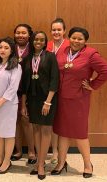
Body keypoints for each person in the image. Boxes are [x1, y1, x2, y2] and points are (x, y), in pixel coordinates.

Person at [52, 27, 107, 178]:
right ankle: (61, 162)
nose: (76, 41)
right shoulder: (63, 51)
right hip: (61, 98)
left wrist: (93, 84)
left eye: (80, 39)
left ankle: (87, 164)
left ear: (85, 41)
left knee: (80, 134)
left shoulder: (91, 54)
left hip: (79, 100)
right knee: (62, 132)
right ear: (69, 38)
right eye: (73, 38)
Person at [21, 31, 59, 180]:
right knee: (35, 128)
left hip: (47, 99)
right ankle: (38, 161)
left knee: (45, 129)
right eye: (36, 39)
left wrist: (48, 101)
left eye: (41, 40)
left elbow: (54, 80)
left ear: (45, 42)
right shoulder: (27, 58)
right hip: (33, 99)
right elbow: (24, 84)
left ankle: (42, 164)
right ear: (32, 40)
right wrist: (23, 104)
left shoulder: (50, 57)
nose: (38, 42)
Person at [0, 37, 22, 174]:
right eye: (1, 47)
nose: (2, 50)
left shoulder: (16, 67)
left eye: (6, 48)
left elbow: (13, 88)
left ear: (12, 50)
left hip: (8, 106)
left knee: (8, 134)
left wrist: (1, 101)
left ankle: (7, 160)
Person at [11, 24, 37, 164]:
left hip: (27, 91)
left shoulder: (33, 49)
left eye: (24, 33)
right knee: (14, 122)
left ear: (29, 35)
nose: (20, 35)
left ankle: (32, 151)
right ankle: (18, 150)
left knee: (26, 120)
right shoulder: (10, 48)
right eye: (18, 33)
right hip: (11, 92)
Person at [46, 18, 70, 164]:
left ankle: (60, 154)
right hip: (48, 90)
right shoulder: (47, 45)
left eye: (59, 30)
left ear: (64, 31)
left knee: (62, 122)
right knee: (52, 122)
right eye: (53, 30)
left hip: (64, 89)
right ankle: (54, 151)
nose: (56, 32)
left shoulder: (69, 45)